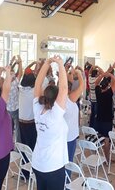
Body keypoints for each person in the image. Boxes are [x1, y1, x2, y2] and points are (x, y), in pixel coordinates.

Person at [32, 56, 68, 190]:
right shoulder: (55, 115)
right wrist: (60, 64)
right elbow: (64, 88)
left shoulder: (38, 109)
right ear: (56, 100)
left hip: (38, 164)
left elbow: (37, 84)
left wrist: (46, 64)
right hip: (53, 167)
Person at [94, 65, 115, 162]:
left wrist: (103, 74)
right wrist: (110, 75)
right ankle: (107, 159)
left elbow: (96, 82)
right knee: (106, 139)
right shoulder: (109, 93)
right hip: (107, 120)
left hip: (99, 119)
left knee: (101, 137)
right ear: (107, 86)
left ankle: (102, 156)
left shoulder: (98, 92)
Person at [64, 65, 84, 175]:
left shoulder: (58, 98)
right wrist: (79, 74)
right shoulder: (70, 99)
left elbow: (65, 83)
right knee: (68, 162)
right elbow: (81, 86)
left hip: (62, 135)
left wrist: (66, 71)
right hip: (69, 136)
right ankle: (66, 183)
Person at [7, 55, 22, 142]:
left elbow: (9, 70)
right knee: (17, 129)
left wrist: (11, 62)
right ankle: (18, 145)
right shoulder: (15, 83)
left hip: (8, 109)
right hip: (16, 109)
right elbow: (20, 73)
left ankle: (9, 144)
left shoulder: (6, 83)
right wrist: (20, 63)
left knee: (9, 128)